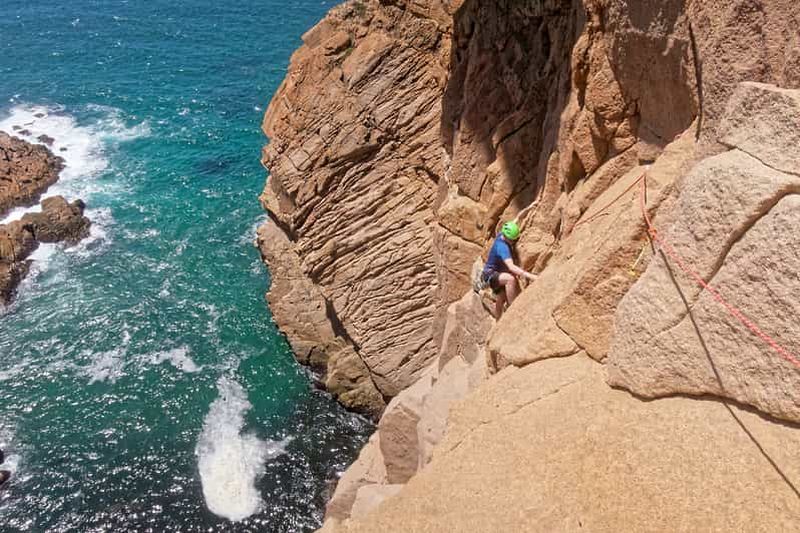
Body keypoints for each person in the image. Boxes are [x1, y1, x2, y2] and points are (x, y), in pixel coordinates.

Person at [482, 221, 537, 319]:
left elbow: (517, 219)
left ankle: (498, 320)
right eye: (512, 240)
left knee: (501, 297)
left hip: (497, 271)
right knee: (510, 279)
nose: (514, 242)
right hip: (491, 274)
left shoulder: (502, 234)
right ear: (507, 237)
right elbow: (511, 267)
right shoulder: (502, 247)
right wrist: (530, 276)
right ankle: (512, 309)